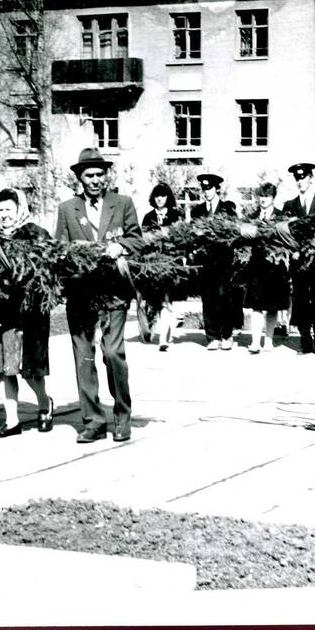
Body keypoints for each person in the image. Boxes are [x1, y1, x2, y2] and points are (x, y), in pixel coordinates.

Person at [55, 148, 144, 443]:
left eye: (100, 174)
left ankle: (121, 417)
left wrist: (122, 245)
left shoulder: (123, 203)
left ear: (107, 176)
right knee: (83, 358)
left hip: (113, 292)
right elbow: (60, 249)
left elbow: (138, 240)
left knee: (113, 354)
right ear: (79, 178)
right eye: (89, 175)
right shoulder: (68, 209)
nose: (95, 180)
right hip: (80, 292)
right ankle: (92, 421)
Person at [0, 189, 54, 438]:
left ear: (19, 209)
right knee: (7, 367)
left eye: (8, 210)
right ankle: (12, 420)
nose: (3, 215)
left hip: (30, 311)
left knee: (30, 370)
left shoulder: (35, 233)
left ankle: (44, 403)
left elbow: (47, 269)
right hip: (1, 311)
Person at [280, 162, 315, 355]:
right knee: (301, 301)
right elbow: (284, 233)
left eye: (303, 177)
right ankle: (305, 341)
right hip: (298, 261)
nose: (300, 181)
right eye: (297, 178)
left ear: (311, 178)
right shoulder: (289, 205)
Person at [190, 173, 239, 350]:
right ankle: (212, 337)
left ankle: (226, 335)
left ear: (217, 188)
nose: (206, 192)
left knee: (224, 298)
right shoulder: (197, 211)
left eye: (209, 188)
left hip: (223, 261)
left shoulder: (227, 208)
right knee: (208, 298)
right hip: (205, 262)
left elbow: (234, 232)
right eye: (204, 188)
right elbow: (192, 235)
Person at [244, 182, 289, 353]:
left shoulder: (281, 217)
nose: (263, 200)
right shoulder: (252, 216)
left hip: (275, 267)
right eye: (261, 196)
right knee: (256, 306)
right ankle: (255, 342)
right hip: (256, 266)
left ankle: (268, 340)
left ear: (273, 198)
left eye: (267, 197)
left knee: (272, 306)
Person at [140, 182, 182, 351]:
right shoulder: (148, 216)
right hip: (152, 264)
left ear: (168, 198)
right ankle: (158, 329)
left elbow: (179, 238)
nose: (159, 199)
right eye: (157, 196)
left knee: (166, 299)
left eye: (163, 196)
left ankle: (163, 338)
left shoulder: (175, 215)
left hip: (170, 263)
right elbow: (142, 239)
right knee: (153, 300)